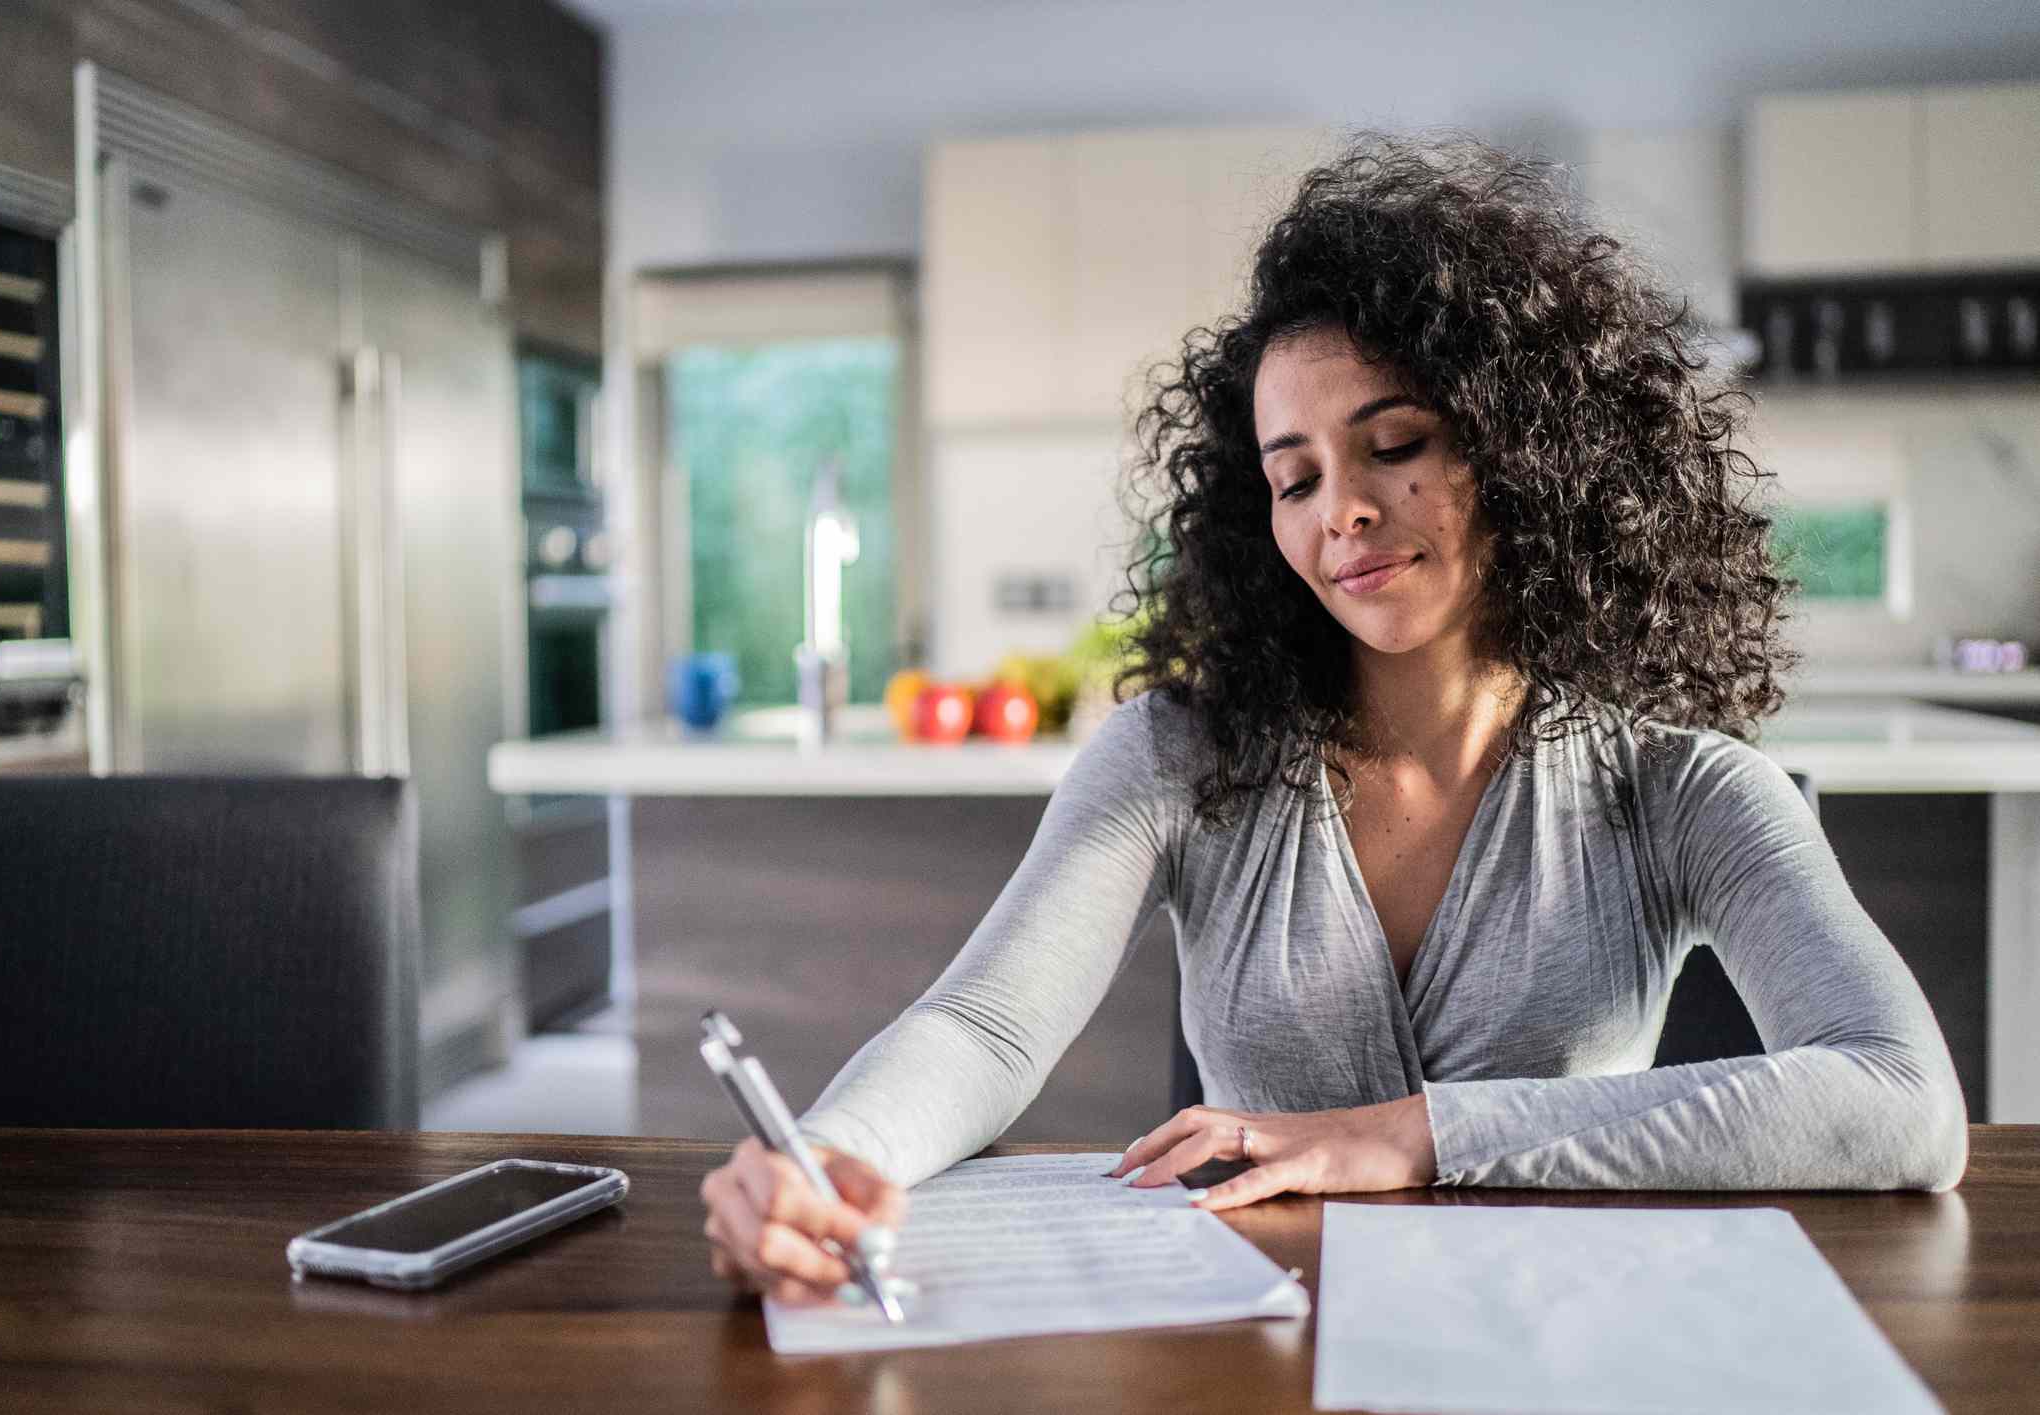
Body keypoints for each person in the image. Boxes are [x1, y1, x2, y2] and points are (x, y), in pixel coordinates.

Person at [698, 131, 1969, 1306]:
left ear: (1524, 450)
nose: (1340, 511)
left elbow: (1903, 1099)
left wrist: (1409, 1134)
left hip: (1560, 1337)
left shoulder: (1689, 791)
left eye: (1394, 441)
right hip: (1253, 1347)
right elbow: (984, 1026)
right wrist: (829, 1158)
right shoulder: (1175, 758)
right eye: (1294, 476)